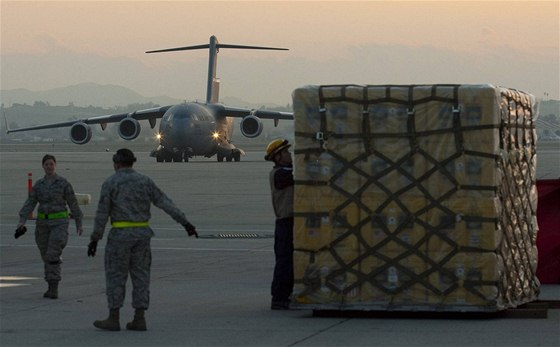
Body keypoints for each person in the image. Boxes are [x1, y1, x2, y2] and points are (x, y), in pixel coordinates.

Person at [87, 148, 198, 332]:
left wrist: (94, 239)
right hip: (142, 236)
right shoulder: (144, 181)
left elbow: (101, 214)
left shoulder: (111, 183)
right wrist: (186, 223)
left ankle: (114, 318)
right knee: (141, 277)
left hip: (120, 238)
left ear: (116, 163)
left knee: (116, 276)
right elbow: (165, 203)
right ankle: (139, 318)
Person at [16, 154, 84, 299]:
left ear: (55, 165)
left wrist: (78, 221)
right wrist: (22, 220)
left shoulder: (63, 183)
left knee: (53, 254)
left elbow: (73, 202)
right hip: (43, 225)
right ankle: (50, 284)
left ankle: (54, 287)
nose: (49, 167)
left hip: (59, 224)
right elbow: (30, 202)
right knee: (45, 255)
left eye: (51, 164)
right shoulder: (39, 185)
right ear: (43, 166)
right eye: (47, 164)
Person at [264, 139, 294, 310]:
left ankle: (286, 295)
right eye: (286, 153)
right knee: (284, 261)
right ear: (278, 156)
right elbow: (297, 178)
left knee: (290, 261)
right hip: (285, 222)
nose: (290, 155)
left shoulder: (286, 171)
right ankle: (279, 297)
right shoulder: (279, 174)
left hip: (292, 222)